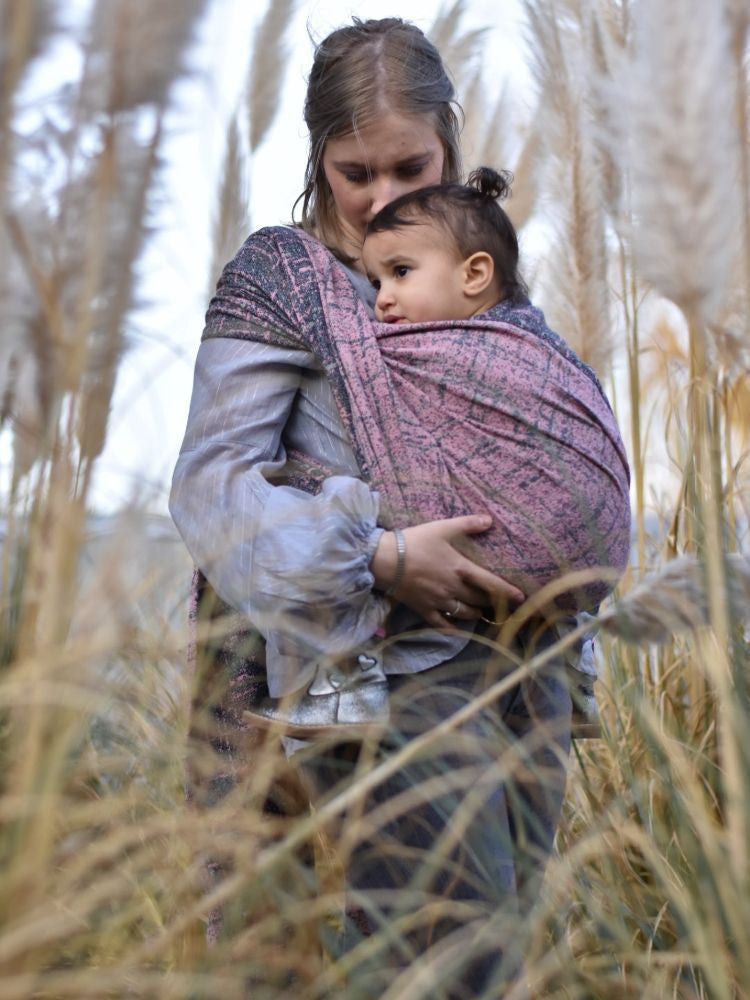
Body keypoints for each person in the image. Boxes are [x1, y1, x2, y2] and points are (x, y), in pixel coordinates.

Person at [170, 16, 629, 996]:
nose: (382, 196)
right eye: (354, 172)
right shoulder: (283, 284)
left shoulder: (482, 277)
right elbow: (212, 490)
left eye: (409, 165)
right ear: (317, 161)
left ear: (451, 145)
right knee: (428, 956)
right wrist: (376, 556)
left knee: (489, 954)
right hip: (372, 686)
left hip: (524, 682)